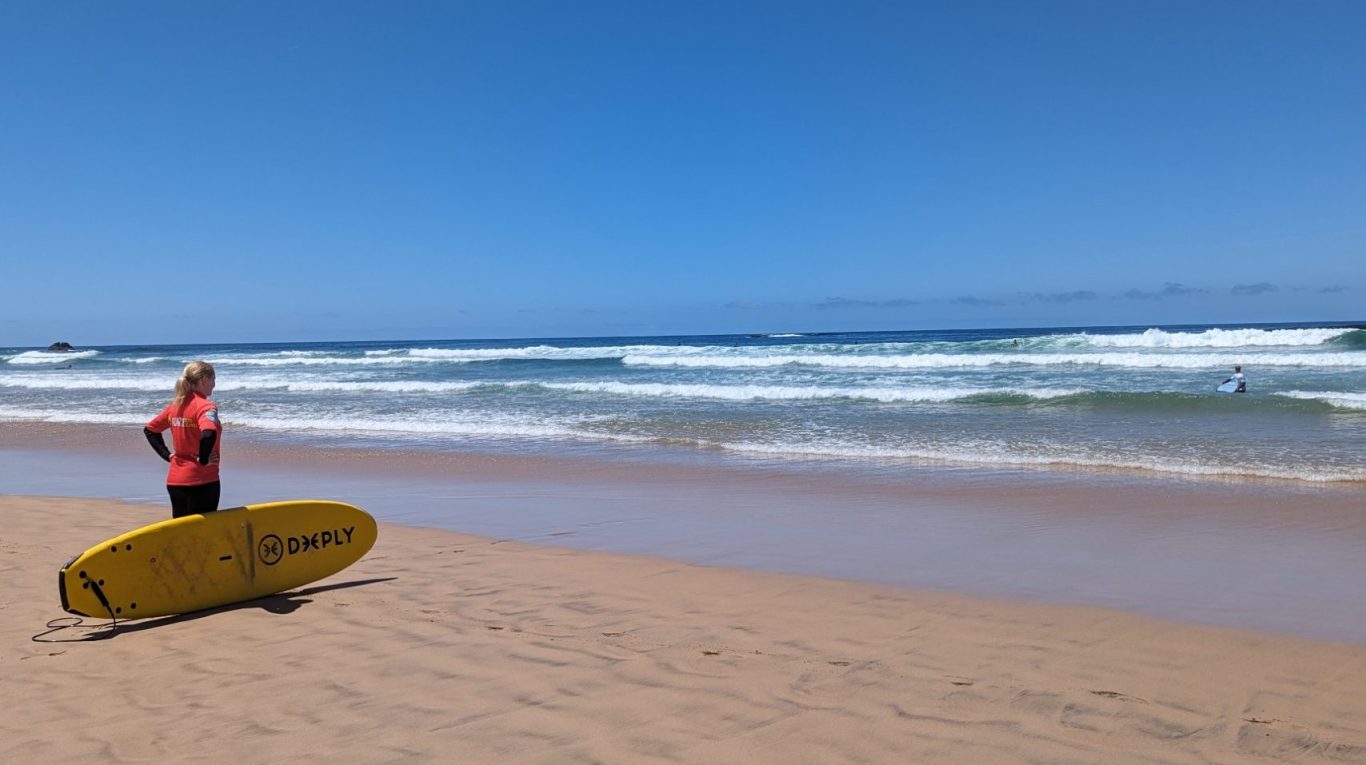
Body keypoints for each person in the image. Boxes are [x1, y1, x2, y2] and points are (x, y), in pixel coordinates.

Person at [143, 361, 222, 518]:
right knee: (202, 532)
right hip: (202, 481)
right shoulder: (206, 407)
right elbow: (208, 433)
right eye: (214, 378)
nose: (215, 384)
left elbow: (150, 430)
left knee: (182, 532)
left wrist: (168, 455)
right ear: (204, 380)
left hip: (175, 481)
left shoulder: (175, 406)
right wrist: (204, 459)